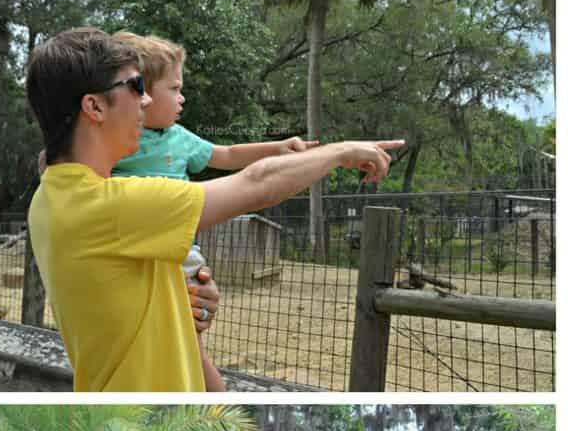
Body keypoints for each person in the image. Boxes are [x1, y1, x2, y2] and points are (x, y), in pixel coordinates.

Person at [25, 26, 403, 392]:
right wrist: (341, 151)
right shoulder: (110, 206)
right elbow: (258, 184)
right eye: (136, 87)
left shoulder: (50, 198)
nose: (144, 100)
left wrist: (181, 295)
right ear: (93, 106)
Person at [111, 31, 319, 392]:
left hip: (178, 255)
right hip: (128, 257)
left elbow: (226, 155)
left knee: (191, 345)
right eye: (174, 89)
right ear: (140, 92)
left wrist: (278, 147)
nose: (182, 97)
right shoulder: (115, 136)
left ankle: (216, 405)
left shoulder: (180, 138)